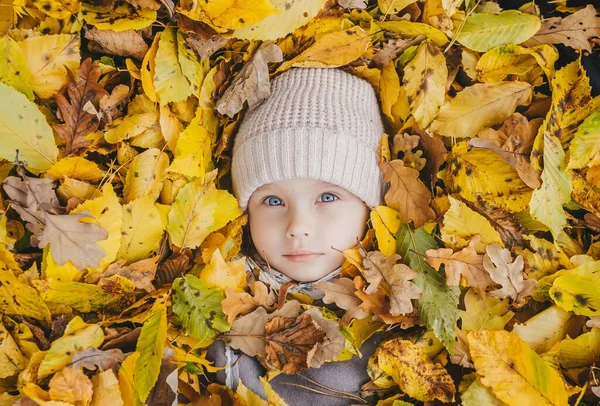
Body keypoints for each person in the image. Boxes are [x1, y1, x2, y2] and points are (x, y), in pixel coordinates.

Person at [205, 67, 386, 405]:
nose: (298, 226)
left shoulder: (402, 320)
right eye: (273, 201)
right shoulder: (218, 314)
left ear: (370, 207)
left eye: (328, 197)